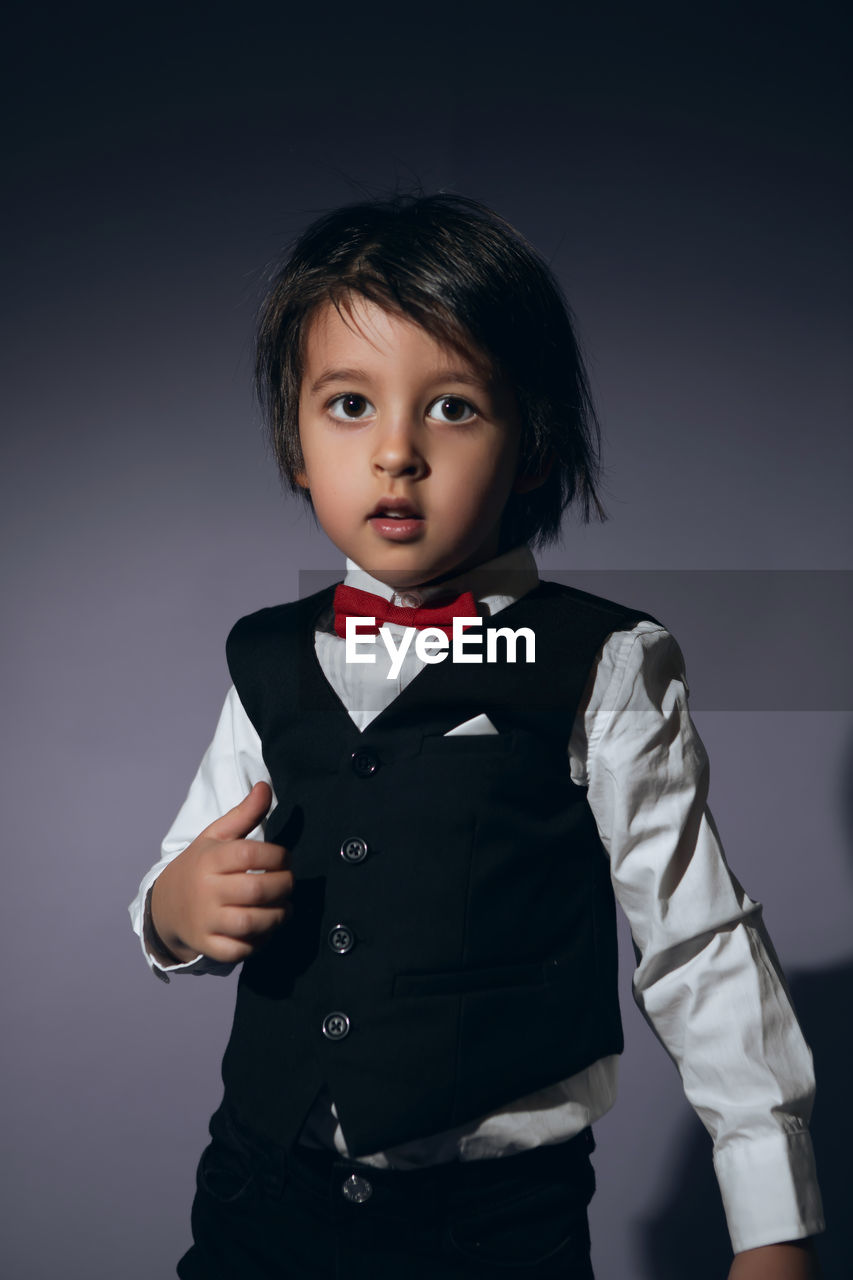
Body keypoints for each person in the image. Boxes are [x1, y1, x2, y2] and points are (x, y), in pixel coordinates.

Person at [129, 193, 825, 1278]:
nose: (396, 452)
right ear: (297, 445)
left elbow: (699, 943)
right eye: (350, 404)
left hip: (489, 1225)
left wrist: (770, 1215)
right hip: (261, 1191)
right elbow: (183, 863)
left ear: (535, 444)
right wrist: (175, 911)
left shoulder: (603, 663)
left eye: (451, 407)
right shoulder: (269, 659)